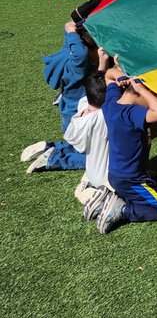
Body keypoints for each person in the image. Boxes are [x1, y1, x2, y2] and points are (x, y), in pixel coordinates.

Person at [92, 57, 157, 234]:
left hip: (119, 174)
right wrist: (143, 90)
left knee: (155, 185)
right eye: (155, 97)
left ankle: (107, 199)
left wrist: (120, 73)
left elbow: (107, 75)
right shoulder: (131, 114)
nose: (156, 100)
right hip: (131, 179)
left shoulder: (111, 103)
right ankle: (122, 210)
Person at [22, 21, 93, 173]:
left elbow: (75, 45)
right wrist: (72, 33)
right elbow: (81, 54)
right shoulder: (79, 66)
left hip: (70, 116)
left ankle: (49, 147)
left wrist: (70, 31)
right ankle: (53, 159)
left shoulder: (68, 53)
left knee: (80, 146)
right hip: (79, 120)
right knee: (99, 158)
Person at [63, 53, 113, 212]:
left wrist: (102, 64)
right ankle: (105, 199)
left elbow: (96, 88)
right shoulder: (105, 117)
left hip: (93, 174)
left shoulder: (84, 105)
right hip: (110, 179)